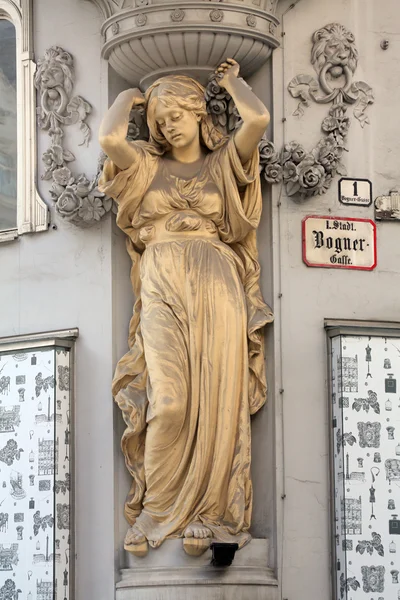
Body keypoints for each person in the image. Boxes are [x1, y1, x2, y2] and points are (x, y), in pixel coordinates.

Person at [99, 59, 273, 557]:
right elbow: (111, 140)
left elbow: (256, 122)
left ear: (199, 112)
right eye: (159, 120)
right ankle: (157, 508)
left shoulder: (223, 164)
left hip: (218, 284)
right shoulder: (147, 167)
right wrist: (129, 97)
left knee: (219, 399)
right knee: (170, 401)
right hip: (161, 281)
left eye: (175, 114)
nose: (167, 125)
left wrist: (231, 82)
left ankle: (208, 513)